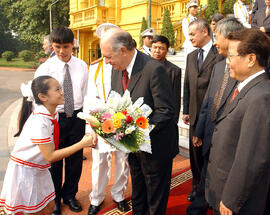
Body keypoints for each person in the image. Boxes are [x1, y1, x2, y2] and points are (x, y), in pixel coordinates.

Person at [100, 28, 178, 215]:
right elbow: (117, 102)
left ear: (124, 50)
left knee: (155, 200)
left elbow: (166, 110)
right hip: (133, 149)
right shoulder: (116, 69)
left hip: (156, 148)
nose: (106, 62)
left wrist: (137, 132)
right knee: (138, 194)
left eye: (109, 56)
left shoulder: (153, 69)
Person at [0, 76, 94, 215]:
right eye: (57, 89)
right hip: (26, 173)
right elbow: (50, 156)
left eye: (61, 88)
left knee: (48, 207)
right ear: (43, 96)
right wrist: (82, 144)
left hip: (39, 169)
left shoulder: (52, 113)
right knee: (34, 210)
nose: (63, 92)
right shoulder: (40, 121)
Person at [205, 28, 270, 215]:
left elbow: (252, 156)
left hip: (237, 201)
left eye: (231, 56)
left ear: (250, 59)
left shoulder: (261, 96)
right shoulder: (246, 88)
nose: (227, 62)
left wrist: (232, 199)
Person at [186, 17, 244, 215]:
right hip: (210, 140)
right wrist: (200, 131)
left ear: (231, 37)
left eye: (217, 36)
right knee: (202, 192)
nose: (215, 40)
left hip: (230, 147)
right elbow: (208, 103)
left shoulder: (247, 69)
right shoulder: (220, 67)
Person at [35, 27, 89, 215]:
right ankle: (55, 198)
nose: (61, 51)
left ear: (73, 45)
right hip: (55, 120)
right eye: (57, 46)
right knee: (55, 163)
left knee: (75, 160)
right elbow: (37, 100)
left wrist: (87, 121)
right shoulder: (45, 69)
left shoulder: (82, 65)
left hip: (77, 117)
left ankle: (70, 195)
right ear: (52, 45)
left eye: (65, 46)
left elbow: (86, 93)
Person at [84, 23, 130, 215]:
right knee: (100, 161)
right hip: (100, 120)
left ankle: (118, 195)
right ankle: (96, 197)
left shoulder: (126, 64)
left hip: (122, 120)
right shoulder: (94, 68)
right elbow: (90, 98)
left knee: (122, 161)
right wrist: (91, 128)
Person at [182, 18, 223, 202]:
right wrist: (185, 110)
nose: (189, 38)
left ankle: (211, 190)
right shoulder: (191, 56)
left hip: (214, 114)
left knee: (211, 153)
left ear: (205, 32)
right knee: (194, 153)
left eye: (192, 34)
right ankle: (196, 187)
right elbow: (187, 85)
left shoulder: (220, 54)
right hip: (194, 113)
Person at [151, 35, 182, 122]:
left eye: (161, 48)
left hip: (166, 117)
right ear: (151, 49)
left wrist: (174, 120)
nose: (157, 51)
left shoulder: (174, 71)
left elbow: (176, 99)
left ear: (167, 51)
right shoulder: (142, 67)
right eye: (155, 47)